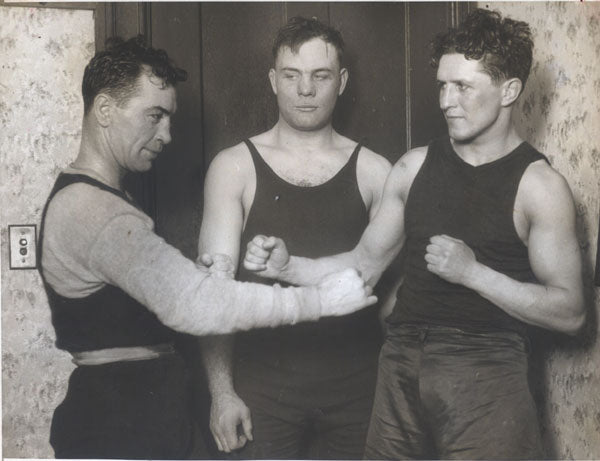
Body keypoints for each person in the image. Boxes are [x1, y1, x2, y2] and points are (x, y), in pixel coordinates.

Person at [244, 9, 586, 460]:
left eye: (463, 86)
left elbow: (570, 312)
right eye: (442, 85)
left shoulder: (539, 186)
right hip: (400, 363)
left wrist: (474, 274)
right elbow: (362, 267)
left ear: (509, 91)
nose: (446, 101)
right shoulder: (413, 166)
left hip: (487, 365)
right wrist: (289, 267)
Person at [38, 35, 375, 459]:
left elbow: (146, 295)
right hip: (117, 420)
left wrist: (201, 277)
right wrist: (317, 300)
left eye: (170, 119)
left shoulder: (103, 198)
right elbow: (195, 306)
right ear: (105, 109)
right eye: (155, 116)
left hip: (139, 410)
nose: (167, 134)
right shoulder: (91, 208)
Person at [198, 17, 392, 459]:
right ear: (273, 80)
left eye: (320, 76)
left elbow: (391, 290)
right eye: (292, 75)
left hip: (358, 385)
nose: (306, 89)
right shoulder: (234, 167)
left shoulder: (375, 171)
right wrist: (222, 393)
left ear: (340, 82)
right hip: (264, 384)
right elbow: (214, 293)